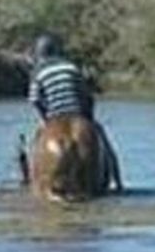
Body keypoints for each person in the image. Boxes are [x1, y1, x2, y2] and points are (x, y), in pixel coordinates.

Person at [26, 33, 122, 191]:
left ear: (38, 54)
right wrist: (89, 118)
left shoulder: (38, 72)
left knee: (35, 144)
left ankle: (34, 182)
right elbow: (87, 95)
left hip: (54, 115)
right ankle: (117, 181)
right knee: (105, 142)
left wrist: (45, 119)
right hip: (79, 114)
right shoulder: (71, 67)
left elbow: (35, 99)